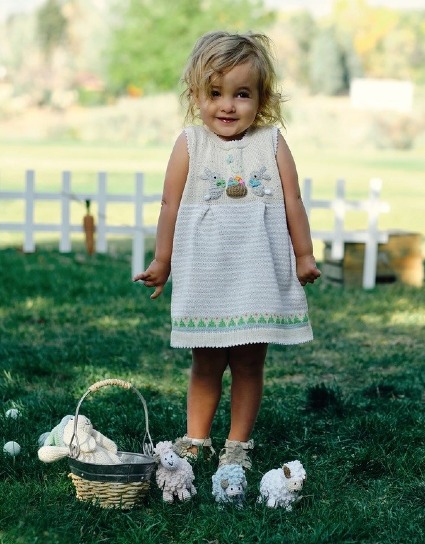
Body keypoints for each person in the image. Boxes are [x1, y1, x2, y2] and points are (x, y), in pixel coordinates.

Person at [133, 30, 320, 469]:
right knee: (206, 361)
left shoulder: (272, 142)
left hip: (257, 272)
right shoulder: (190, 144)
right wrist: (162, 261)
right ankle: (196, 438)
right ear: (197, 94)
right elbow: (170, 205)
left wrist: (305, 254)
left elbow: (293, 201)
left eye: (241, 94)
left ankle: (237, 445)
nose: (227, 105)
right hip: (208, 273)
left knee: (250, 362)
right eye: (215, 93)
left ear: (261, 98)